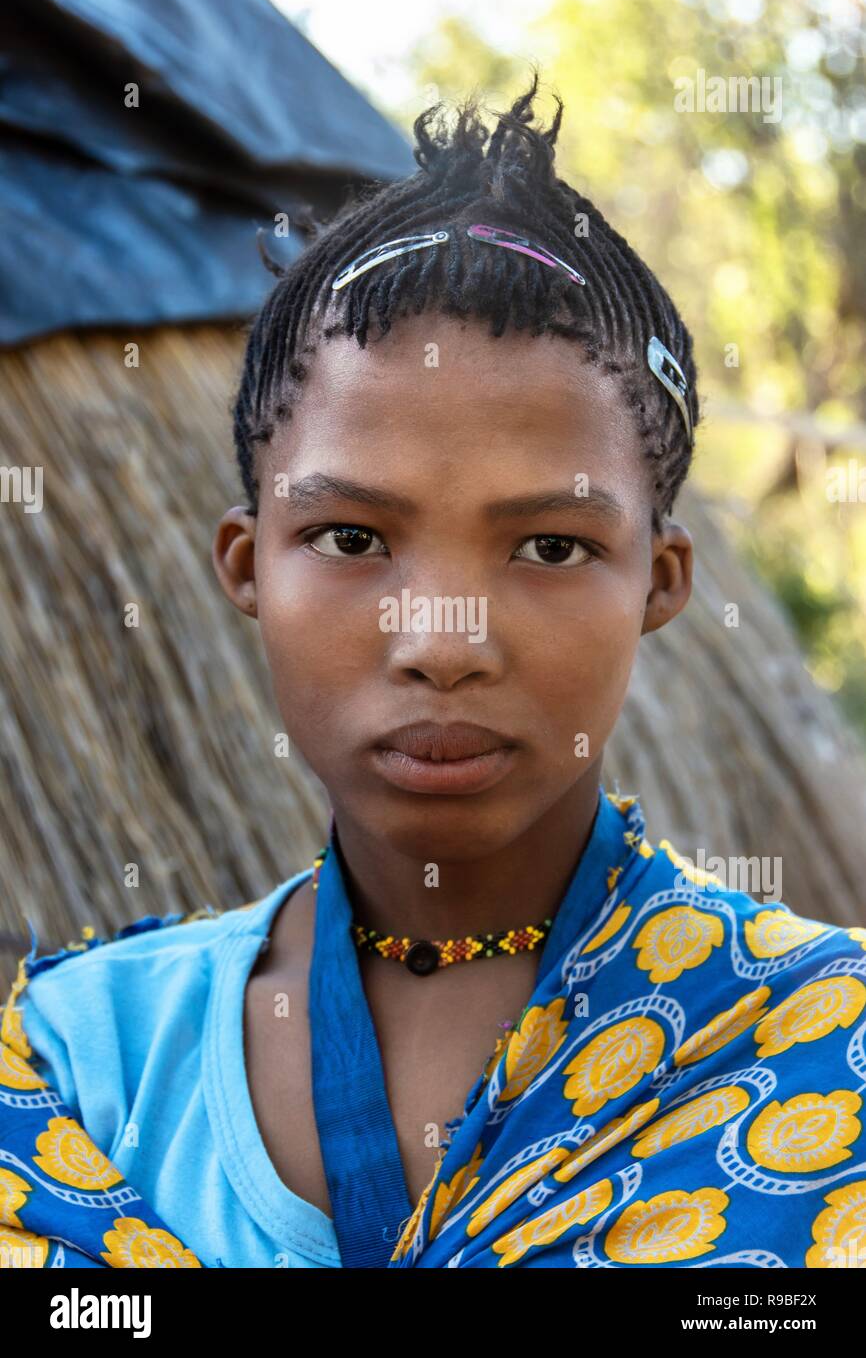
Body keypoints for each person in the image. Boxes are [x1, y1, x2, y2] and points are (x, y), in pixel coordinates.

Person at [2, 74, 865, 1270]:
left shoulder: (824, 1050)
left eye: (550, 547)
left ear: (659, 582)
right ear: (247, 566)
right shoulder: (75, 1067)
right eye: (351, 540)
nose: (443, 638)